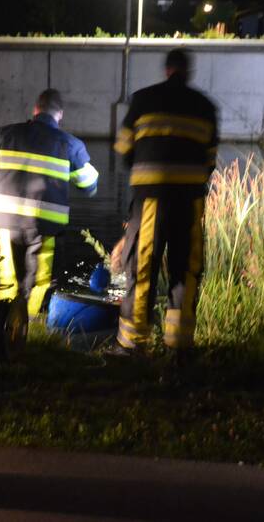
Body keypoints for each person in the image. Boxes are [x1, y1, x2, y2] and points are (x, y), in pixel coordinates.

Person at [112, 48, 219, 355]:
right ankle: (179, 345)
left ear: (167, 70)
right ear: (189, 72)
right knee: (185, 269)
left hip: (151, 199)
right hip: (190, 200)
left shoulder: (143, 99)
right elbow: (210, 158)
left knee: (143, 268)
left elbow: (123, 147)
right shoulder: (206, 106)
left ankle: (134, 344)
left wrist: (142, 169)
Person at [0, 88, 98, 317]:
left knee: (8, 278)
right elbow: (90, 184)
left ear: (35, 110)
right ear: (60, 114)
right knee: (39, 281)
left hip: (6, 224)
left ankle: (2, 327)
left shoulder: (5, 135)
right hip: (44, 227)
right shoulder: (70, 145)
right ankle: (28, 328)